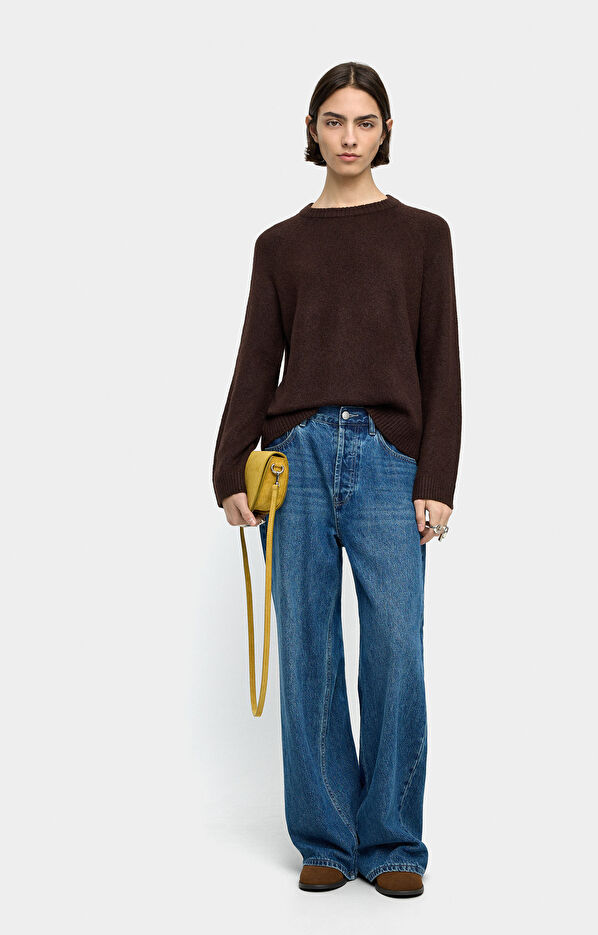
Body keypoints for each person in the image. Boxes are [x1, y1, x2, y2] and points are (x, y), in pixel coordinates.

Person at [212, 61, 462, 899]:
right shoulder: (279, 245)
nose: (348, 137)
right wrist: (228, 466)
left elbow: (441, 361)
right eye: (333, 121)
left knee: (396, 649)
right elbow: (256, 358)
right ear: (312, 130)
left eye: (364, 121)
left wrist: (438, 476)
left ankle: (391, 840)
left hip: (392, 456)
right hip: (299, 455)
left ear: (385, 131)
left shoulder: (424, 235)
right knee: (308, 646)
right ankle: (325, 835)